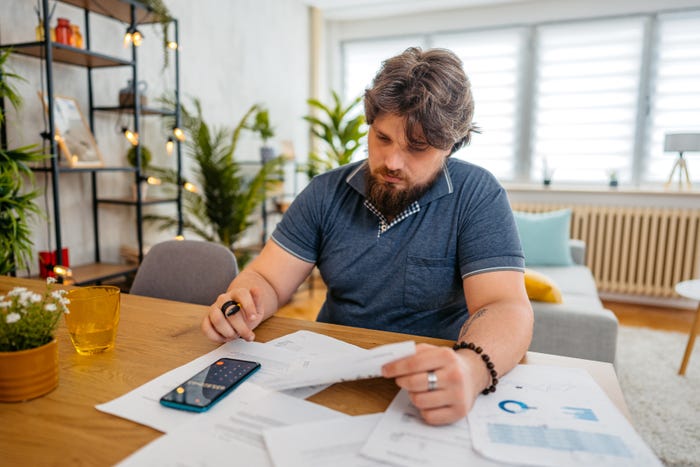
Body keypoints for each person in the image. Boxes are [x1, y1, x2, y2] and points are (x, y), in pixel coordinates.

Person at [202, 47, 534, 425]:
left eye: (417, 147)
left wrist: (472, 369)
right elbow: (265, 278)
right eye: (382, 138)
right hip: (330, 376)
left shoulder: (477, 193)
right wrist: (243, 302)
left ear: (451, 146)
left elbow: (506, 307)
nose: (392, 161)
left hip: (432, 384)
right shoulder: (325, 192)